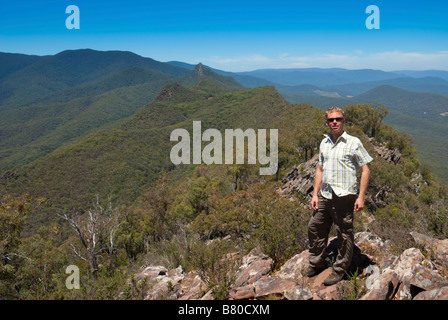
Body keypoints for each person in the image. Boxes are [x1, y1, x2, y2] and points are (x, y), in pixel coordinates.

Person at [307, 106, 373, 286]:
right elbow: (320, 169)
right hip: (325, 195)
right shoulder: (324, 143)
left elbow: (365, 169)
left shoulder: (353, 142)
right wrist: (315, 194)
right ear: (326, 122)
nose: (335, 122)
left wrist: (361, 197)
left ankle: (339, 270)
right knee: (315, 228)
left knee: (344, 233)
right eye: (331, 120)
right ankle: (317, 263)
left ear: (344, 121)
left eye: (338, 119)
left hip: (345, 196)